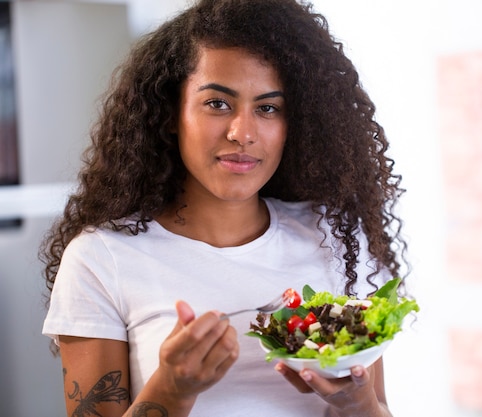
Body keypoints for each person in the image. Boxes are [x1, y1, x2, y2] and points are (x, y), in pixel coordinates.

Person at [41, 0, 408, 416]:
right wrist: (172, 389)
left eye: (268, 108)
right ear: (170, 114)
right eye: (218, 103)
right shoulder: (100, 259)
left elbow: (377, 407)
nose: (243, 133)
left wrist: (356, 401)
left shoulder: (335, 240)